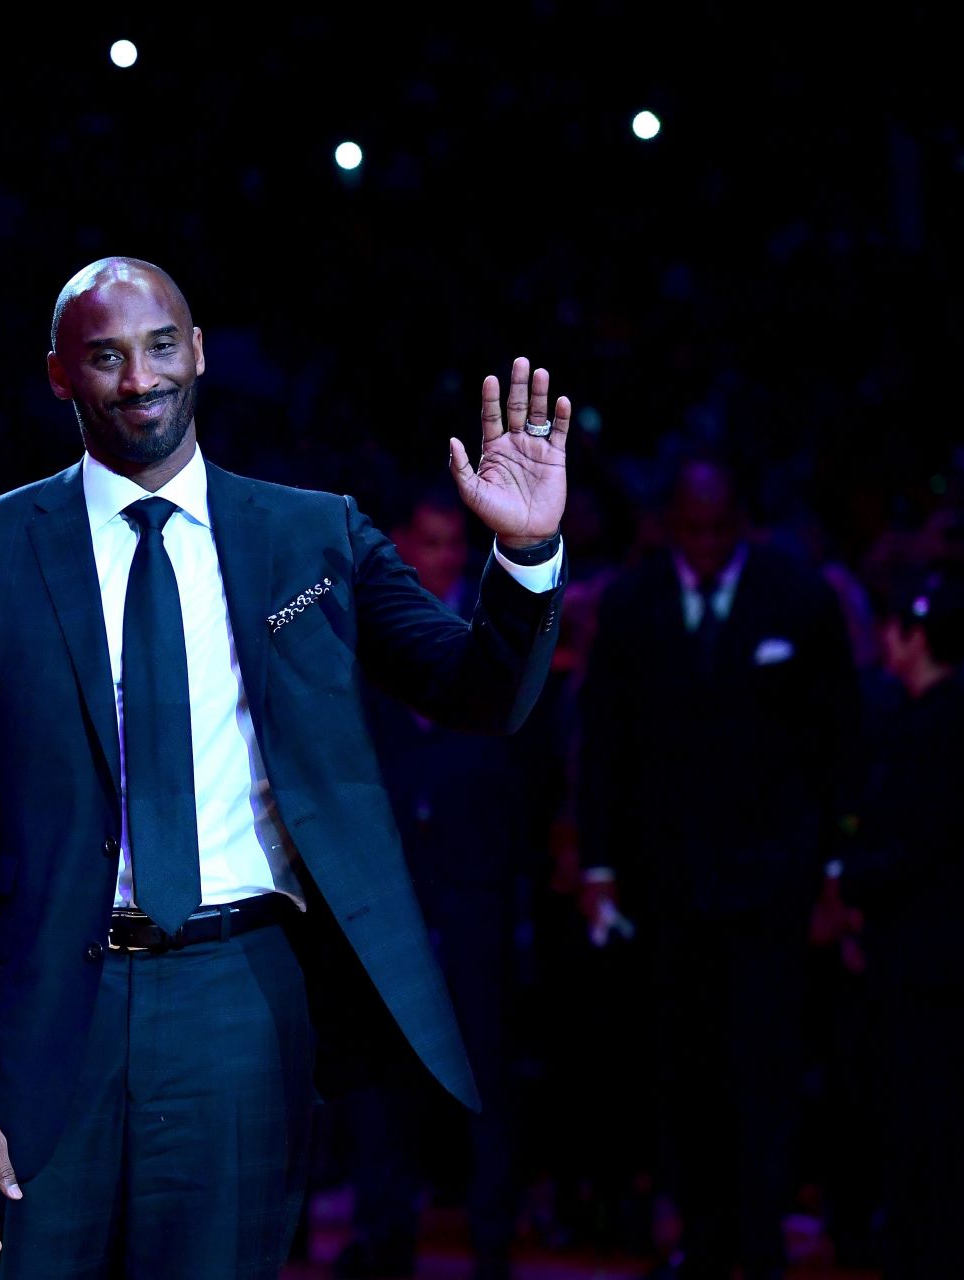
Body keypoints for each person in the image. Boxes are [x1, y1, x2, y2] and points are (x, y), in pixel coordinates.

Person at [0, 257, 568, 1279]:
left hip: (241, 1002)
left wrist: (526, 556)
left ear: (199, 351)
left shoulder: (314, 534)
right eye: (106, 355)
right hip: (41, 1019)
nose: (140, 377)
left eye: (162, 345)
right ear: (59, 375)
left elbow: (479, 693)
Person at [576, 459, 860, 1280]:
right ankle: (701, 1236)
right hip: (667, 885)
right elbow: (605, 744)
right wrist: (597, 864)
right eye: (689, 529)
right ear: (669, 524)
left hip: (774, 882)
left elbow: (838, 739)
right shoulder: (632, 604)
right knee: (684, 1067)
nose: (703, 546)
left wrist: (836, 866)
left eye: (717, 529)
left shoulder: (798, 595)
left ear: (742, 523)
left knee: (766, 1067)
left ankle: (761, 1238)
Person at [336, 490, 527, 1280]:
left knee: (485, 1071)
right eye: (431, 541)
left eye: (456, 543)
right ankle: (383, 1237)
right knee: (382, 1077)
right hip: (388, 892)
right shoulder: (356, 634)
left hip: (476, 887)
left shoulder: (498, 631)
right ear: (406, 546)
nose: (442, 556)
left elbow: (523, 758)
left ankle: (491, 1243)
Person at [825, 572, 964, 1280]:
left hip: (929, 957)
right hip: (912, 952)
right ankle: (921, 1244)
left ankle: (937, 1252)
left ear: (914, 635)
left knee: (931, 1115)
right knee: (916, 1111)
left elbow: (919, 844)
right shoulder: (924, 717)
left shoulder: (941, 723)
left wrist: (844, 884)